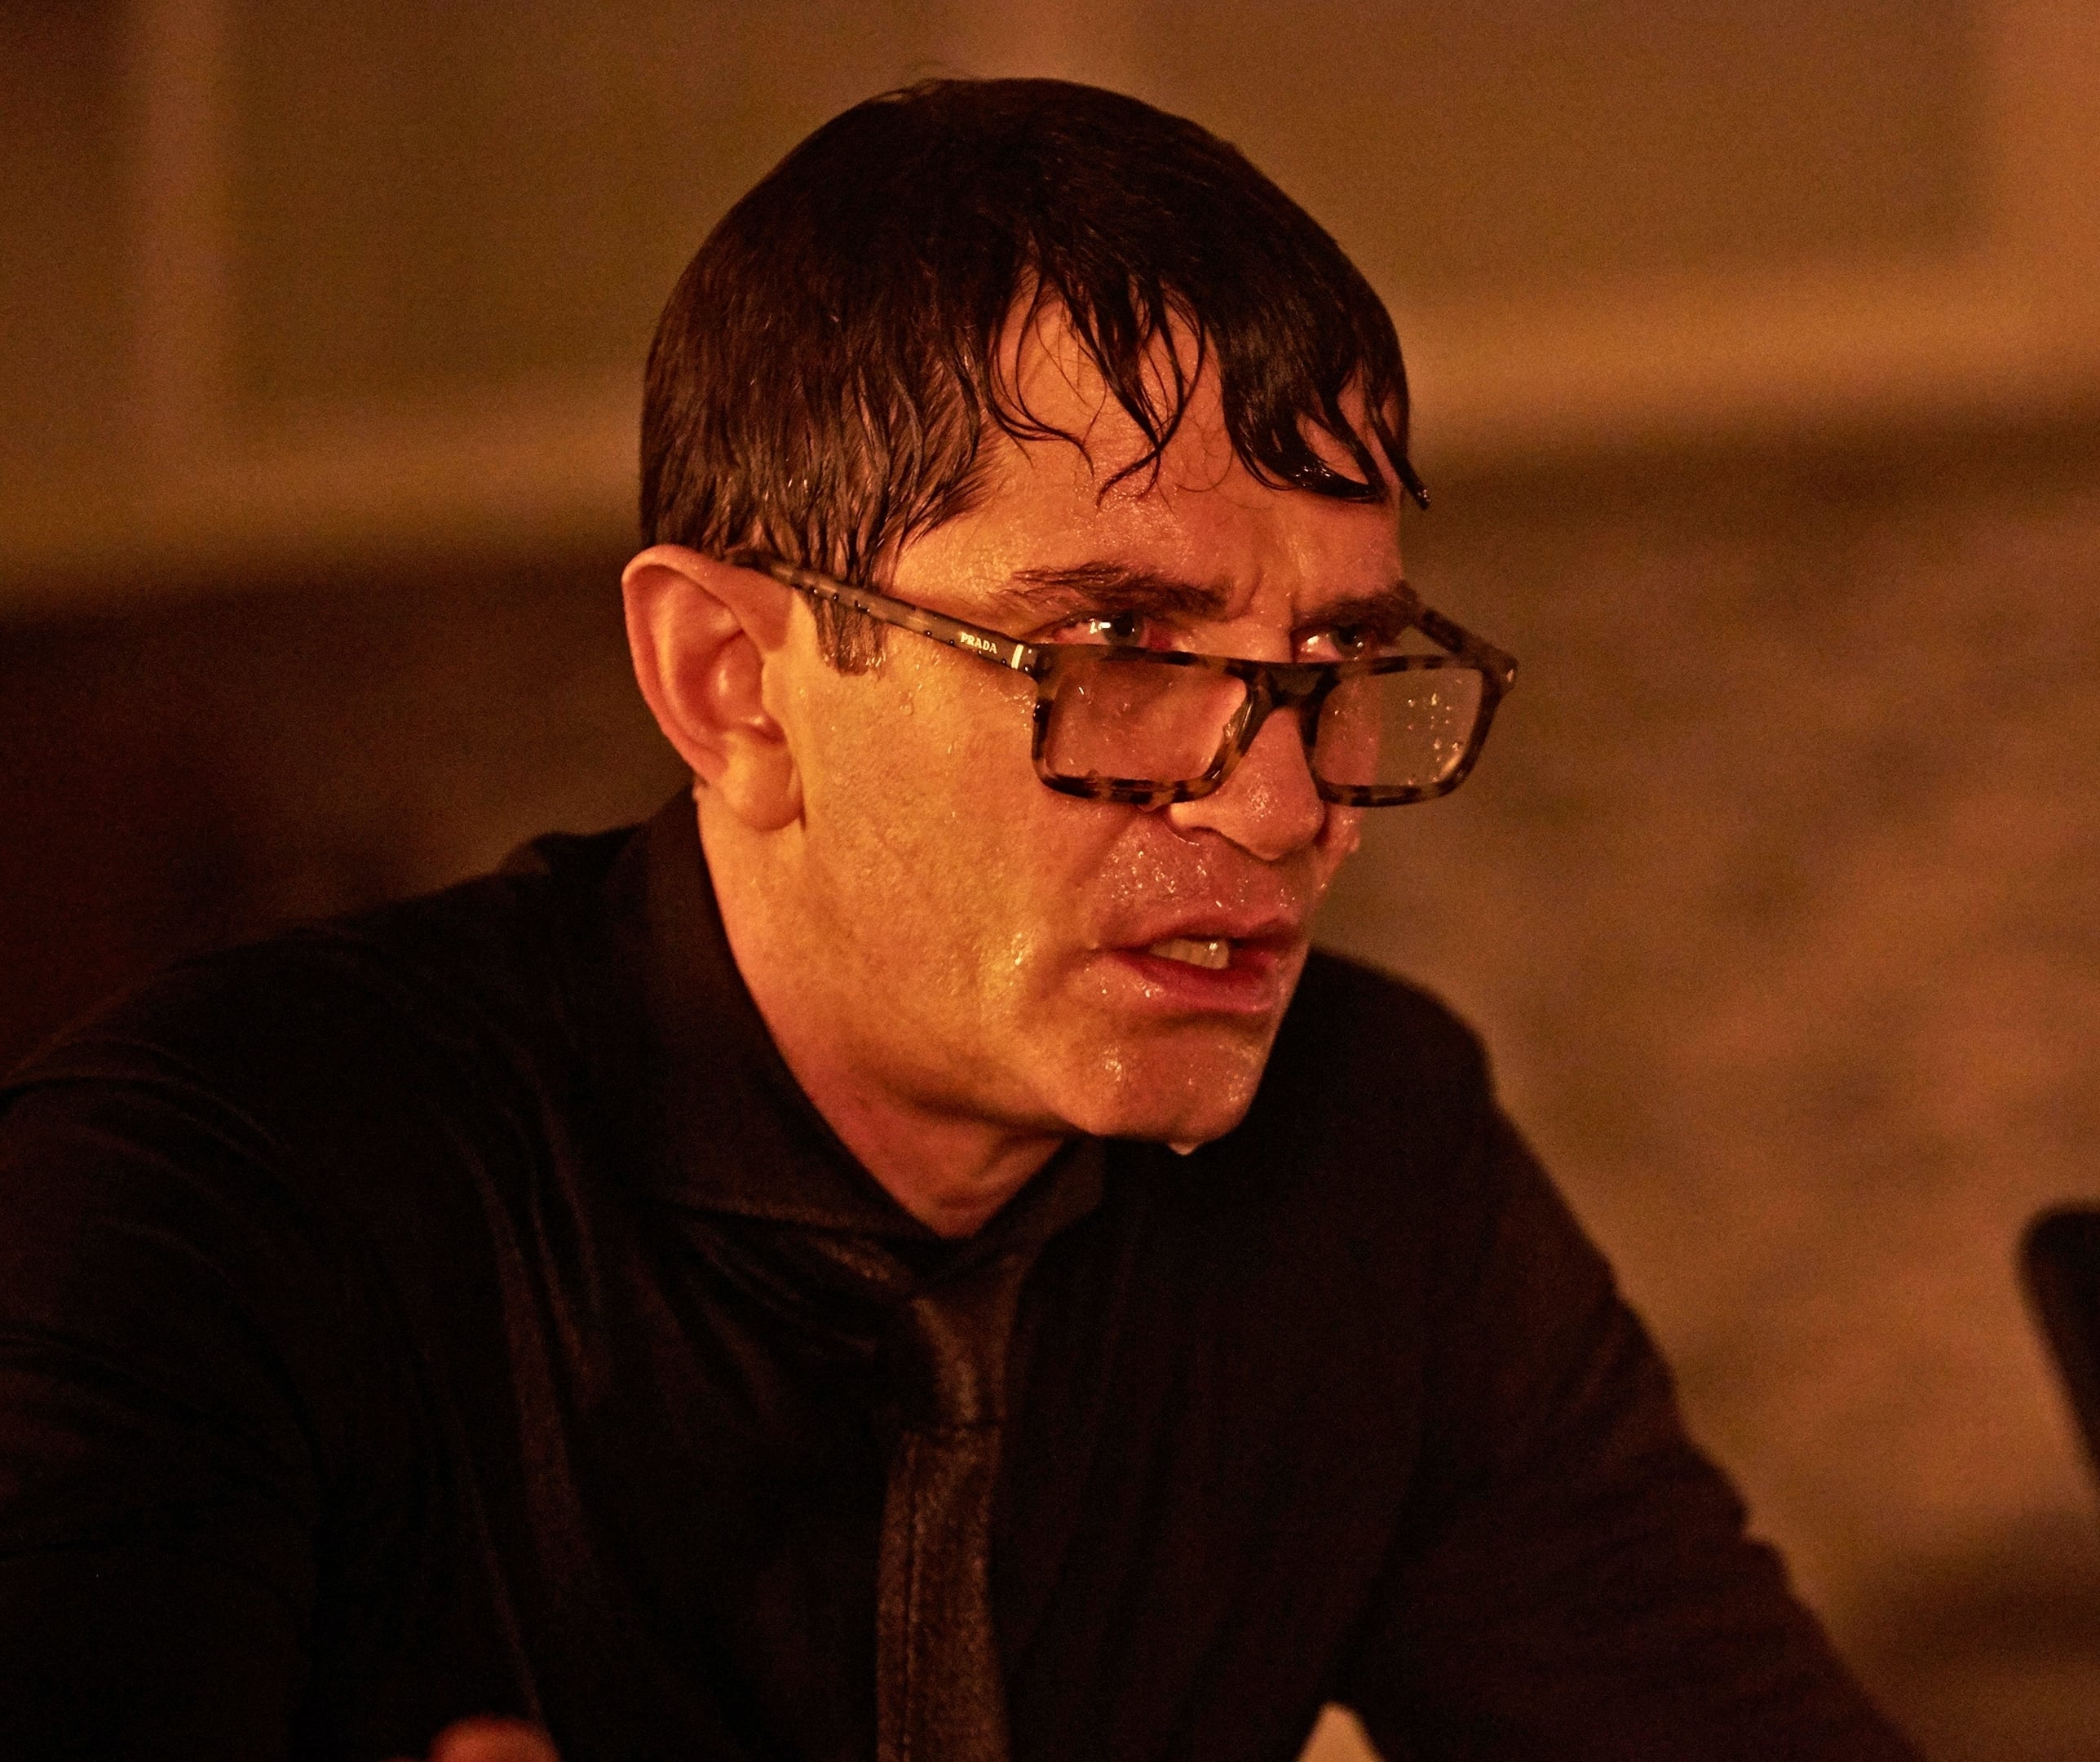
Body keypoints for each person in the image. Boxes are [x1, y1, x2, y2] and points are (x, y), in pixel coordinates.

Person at [0, 80, 1921, 1762]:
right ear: (735, 686)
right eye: (1118, 647)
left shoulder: (1370, 1167)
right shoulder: (224, 1190)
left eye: (1339, 661)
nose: (1282, 805)